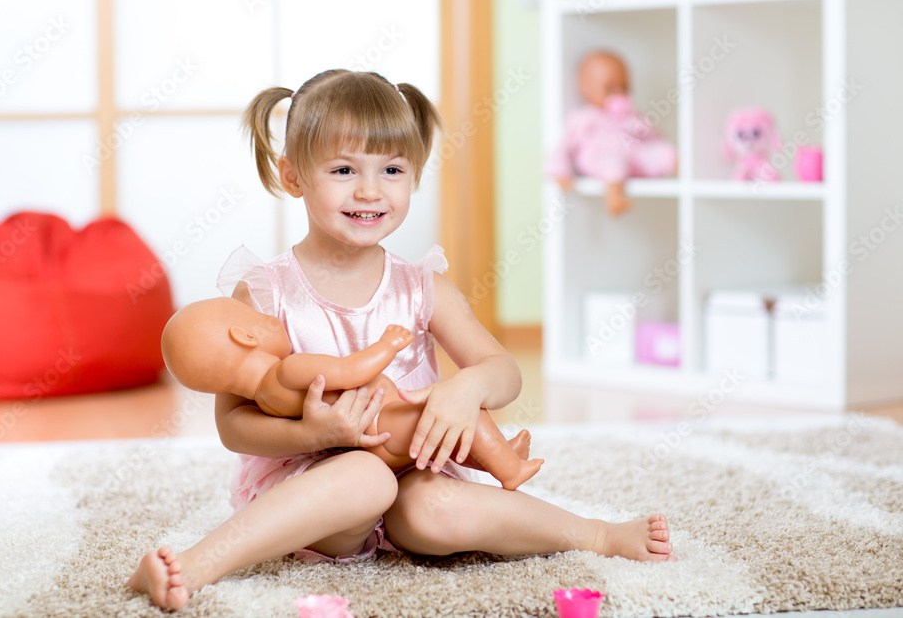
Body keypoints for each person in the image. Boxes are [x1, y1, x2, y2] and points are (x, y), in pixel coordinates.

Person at [128, 69, 674, 611]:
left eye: (392, 169)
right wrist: (312, 434)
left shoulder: (421, 286)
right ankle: (194, 565)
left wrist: (466, 390)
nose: (370, 190)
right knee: (366, 479)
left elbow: (503, 371)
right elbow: (233, 426)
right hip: (324, 485)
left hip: (415, 467)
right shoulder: (268, 293)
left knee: (433, 509)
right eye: (343, 169)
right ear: (292, 176)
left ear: (413, 175)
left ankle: (597, 535)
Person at [159, 296, 542, 488]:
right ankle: (508, 470)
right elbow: (348, 369)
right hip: (382, 419)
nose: (272, 320)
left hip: (366, 445)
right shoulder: (287, 369)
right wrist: (387, 346)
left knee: (436, 445)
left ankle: (499, 455)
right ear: (245, 337)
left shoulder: (264, 398)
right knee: (464, 413)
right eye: (262, 321)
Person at [545, 50, 677, 215]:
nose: (619, 94)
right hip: (601, 158)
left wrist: (655, 140)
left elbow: (651, 134)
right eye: (609, 89)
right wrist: (560, 172)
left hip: (633, 156)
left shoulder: (630, 115)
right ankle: (614, 197)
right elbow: (563, 147)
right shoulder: (583, 118)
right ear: (584, 89)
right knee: (614, 164)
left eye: (624, 87)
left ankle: (686, 174)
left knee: (665, 152)